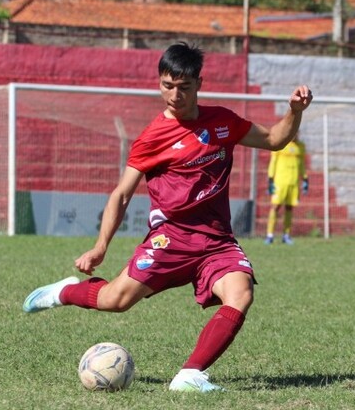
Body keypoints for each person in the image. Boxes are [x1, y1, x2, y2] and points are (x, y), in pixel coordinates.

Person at [22, 42, 313, 392]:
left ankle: (190, 375)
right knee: (116, 301)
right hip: (170, 239)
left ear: (199, 84)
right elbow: (122, 194)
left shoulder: (223, 122)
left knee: (241, 292)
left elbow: (275, 139)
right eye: (167, 85)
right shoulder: (152, 137)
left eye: (184, 87)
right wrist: (100, 247)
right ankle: (65, 291)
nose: (174, 95)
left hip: (217, 241)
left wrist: (294, 110)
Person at [264, 134, 308, 245]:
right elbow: (273, 162)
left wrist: (305, 178)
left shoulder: (301, 146)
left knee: (289, 208)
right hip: (280, 182)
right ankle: (270, 235)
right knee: (275, 206)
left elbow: (302, 164)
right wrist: (270, 179)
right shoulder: (281, 144)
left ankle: (286, 235)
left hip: (293, 182)